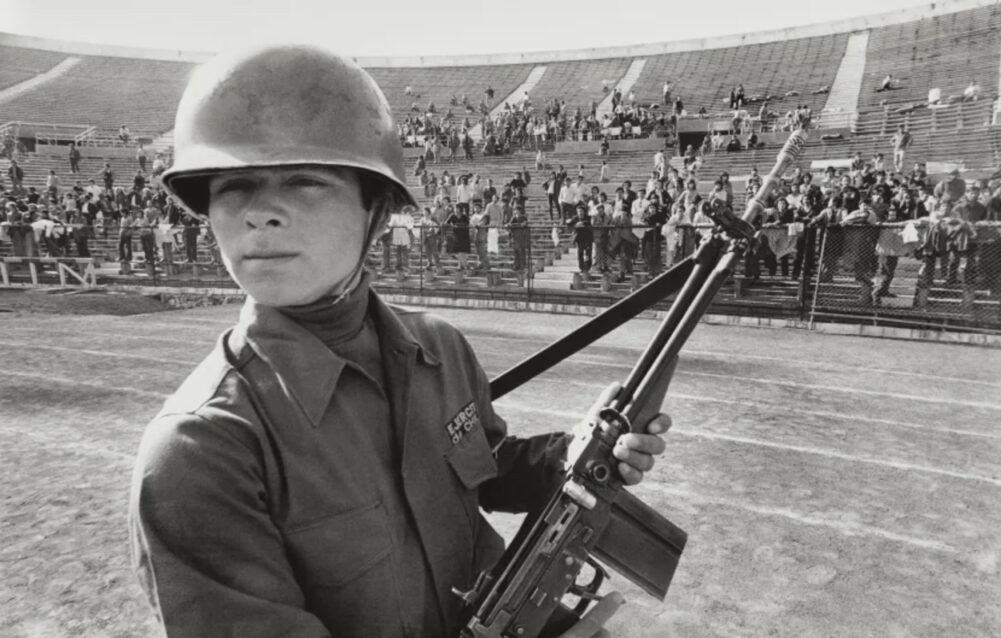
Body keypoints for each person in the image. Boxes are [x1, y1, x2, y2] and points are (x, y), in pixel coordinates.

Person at [130, 45, 671, 638]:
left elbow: (485, 469)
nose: (260, 214)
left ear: (379, 211)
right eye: (233, 186)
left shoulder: (439, 349)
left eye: (304, 181)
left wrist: (575, 452)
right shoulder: (201, 448)